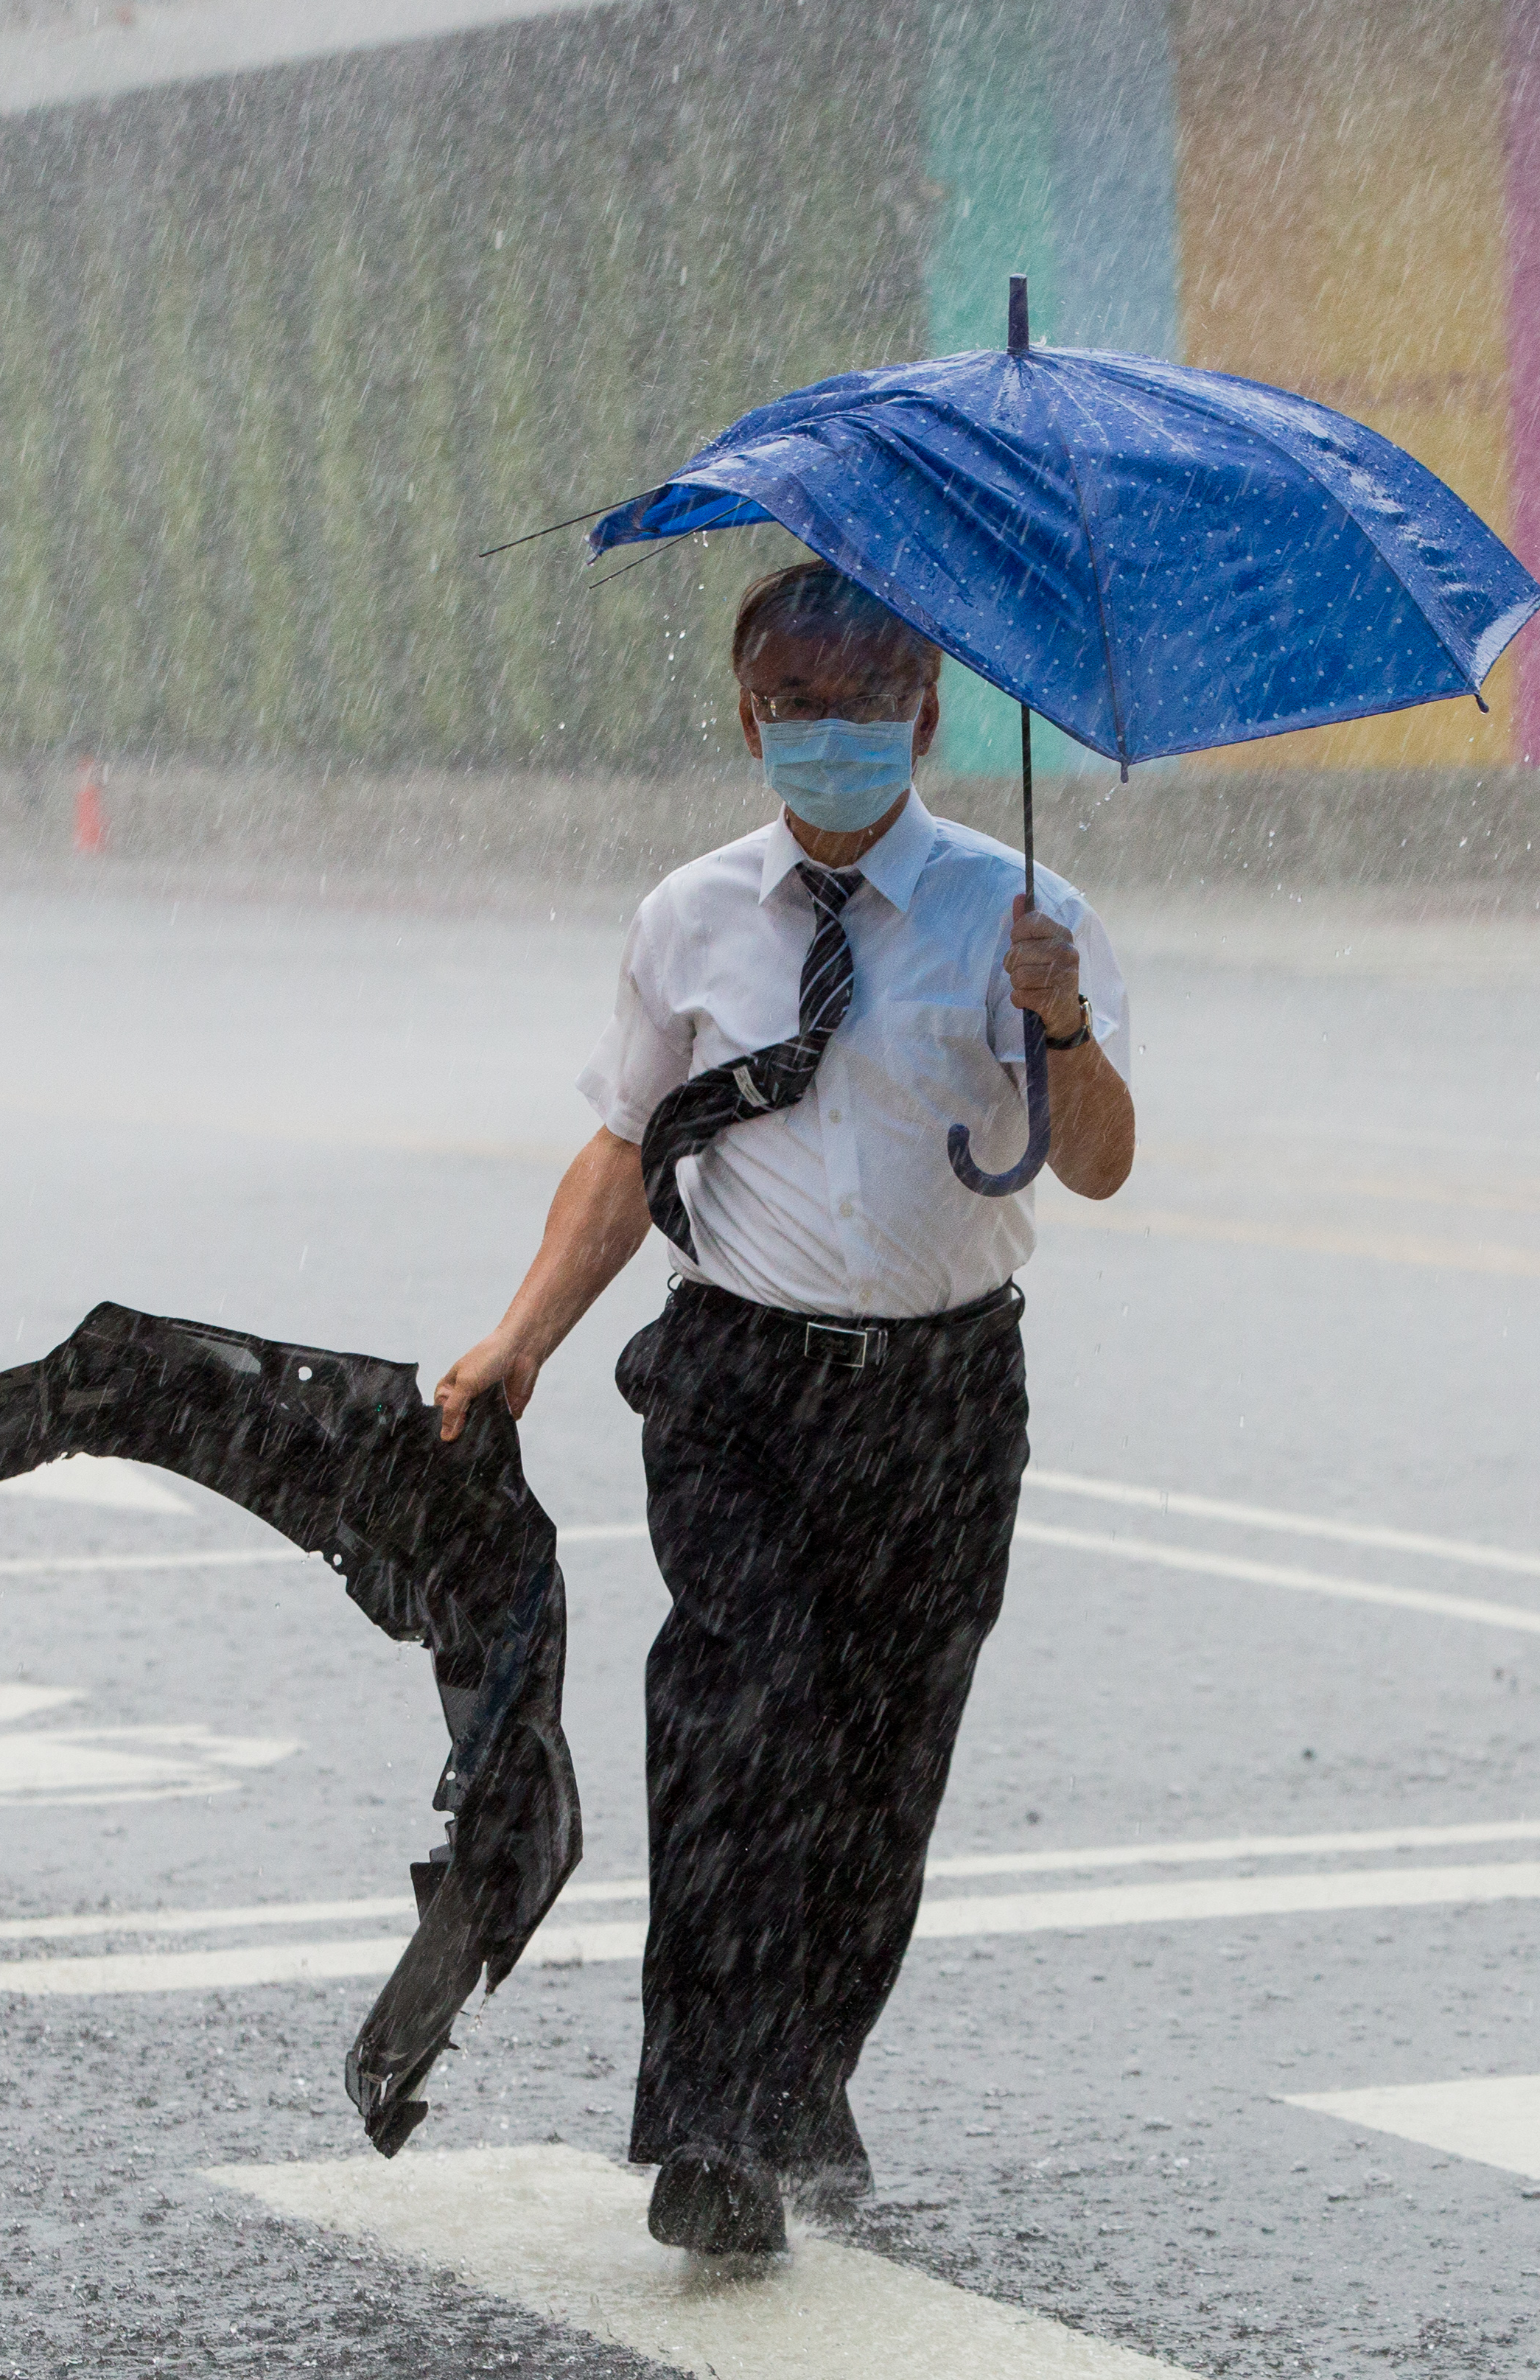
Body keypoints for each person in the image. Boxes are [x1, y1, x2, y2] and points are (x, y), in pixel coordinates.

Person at [433, 559, 1134, 2255]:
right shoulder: (688, 919)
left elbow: (1103, 1163)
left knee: (883, 1769)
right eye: (794, 702)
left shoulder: (1023, 916)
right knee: (733, 1728)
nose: (828, 730)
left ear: (925, 714)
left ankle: (802, 2069)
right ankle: (707, 2128)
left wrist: (1060, 1024)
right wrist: (520, 1336)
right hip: (738, 1384)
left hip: (942, 1405)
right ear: (749, 719)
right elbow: (625, 1149)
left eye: (861, 699)